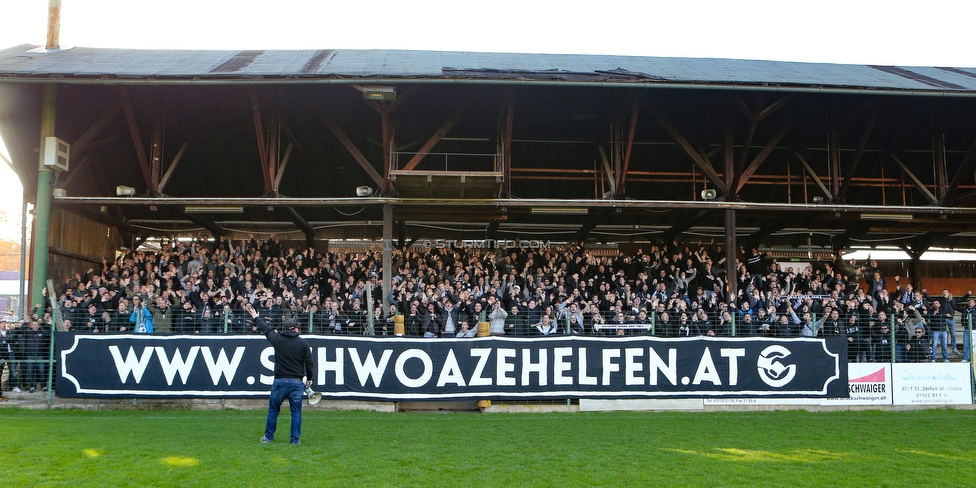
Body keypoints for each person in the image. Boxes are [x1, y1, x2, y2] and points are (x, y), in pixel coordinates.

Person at [245, 303, 315, 445]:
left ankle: (268, 437)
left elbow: (266, 330)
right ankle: (294, 440)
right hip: (296, 383)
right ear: (295, 329)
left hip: (280, 382)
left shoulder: (278, 340)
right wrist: (310, 378)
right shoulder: (303, 344)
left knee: (273, 411)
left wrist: (257, 318)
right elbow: (309, 363)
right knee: (296, 412)